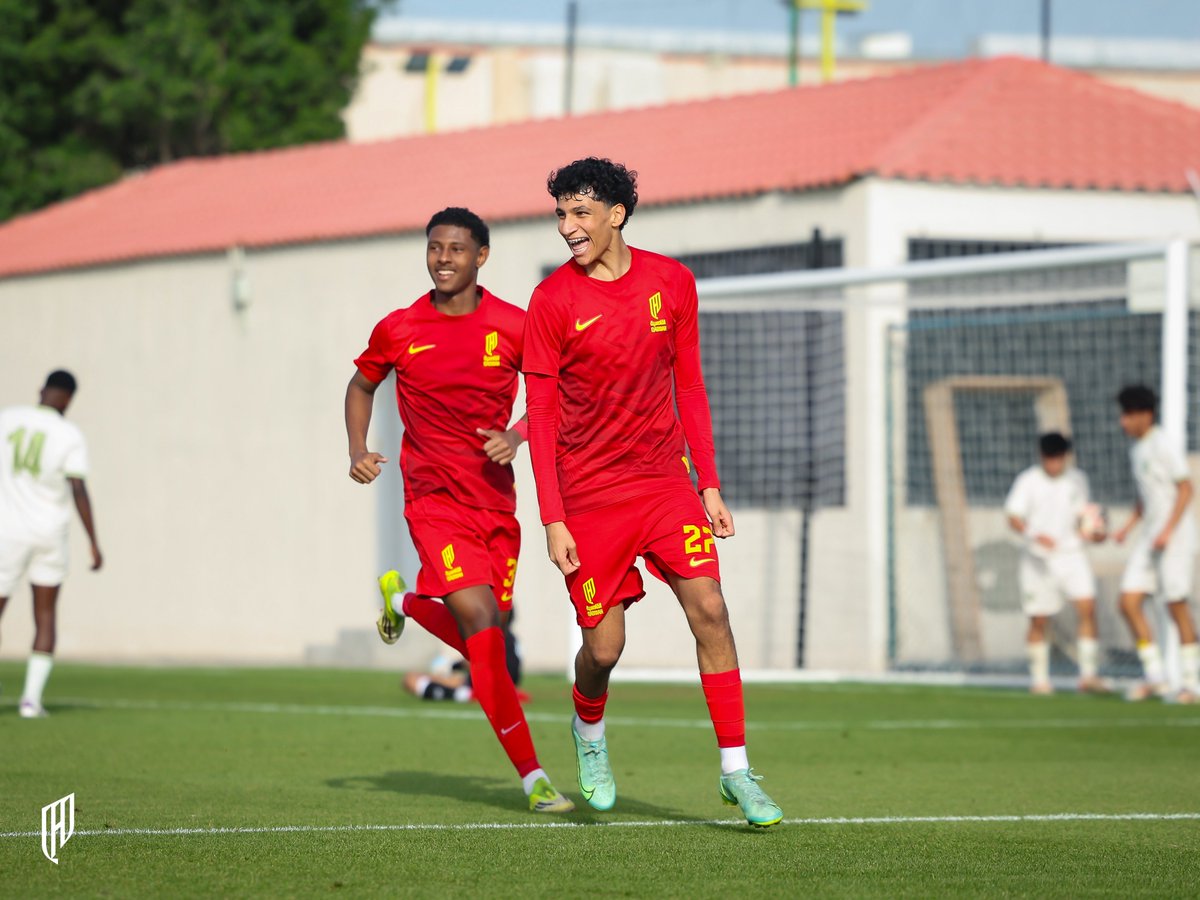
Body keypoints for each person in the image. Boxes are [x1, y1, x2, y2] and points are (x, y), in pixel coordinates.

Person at [521, 157, 783, 828]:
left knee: (712, 610)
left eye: (580, 213)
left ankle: (735, 771)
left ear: (617, 214)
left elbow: (690, 386)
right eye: (560, 214)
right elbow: (543, 418)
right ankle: (588, 731)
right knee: (604, 650)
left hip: (666, 484)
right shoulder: (551, 304)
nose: (567, 227)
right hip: (588, 496)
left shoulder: (673, 282)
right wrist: (553, 519)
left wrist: (710, 485)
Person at [344, 207, 573, 813]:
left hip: (496, 504)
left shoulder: (514, 324)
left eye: (456, 249)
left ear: (481, 257)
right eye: (435, 248)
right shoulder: (399, 327)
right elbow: (362, 385)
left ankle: (406, 601)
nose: (443, 259)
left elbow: (556, 391)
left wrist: (518, 435)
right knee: (478, 622)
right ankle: (534, 780)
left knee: (490, 635)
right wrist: (358, 448)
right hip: (433, 499)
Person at [0, 370, 102, 718]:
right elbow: (77, 487)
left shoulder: (7, 419)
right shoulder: (68, 433)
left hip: (7, 531)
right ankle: (30, 701)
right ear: (69, 399)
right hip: (49, 532)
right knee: (44, 615)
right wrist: (93, 540)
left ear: (42, 389)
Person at [1112, 385, 1199, 703]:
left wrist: (1168, 530)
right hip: (1150, 537)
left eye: (1128, 415)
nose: (1123, 422)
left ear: (1145, 415)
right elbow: (1145, 497)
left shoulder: (1164, 444)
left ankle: (1191, 683)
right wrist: (1127, 528)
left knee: (1176, 604)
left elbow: (1186, 489)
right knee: (1128, 601)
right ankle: (1156, 678)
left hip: (1174, 536)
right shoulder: (1137, 449)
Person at [1004, 432, 1108, 695]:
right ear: (1042, 457)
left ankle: (1088, 676)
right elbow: (1013, 517)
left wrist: (1094, 532)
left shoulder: (1078, 480)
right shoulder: (1028, 481)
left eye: (1059, 458)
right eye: (1050, 458)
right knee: (1039, 619)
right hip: (1038, 558)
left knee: (1087, 607)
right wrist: (1034, 535)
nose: (1055, 464)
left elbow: (1084, 519)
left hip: (1072, 555)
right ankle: (1040, 680)